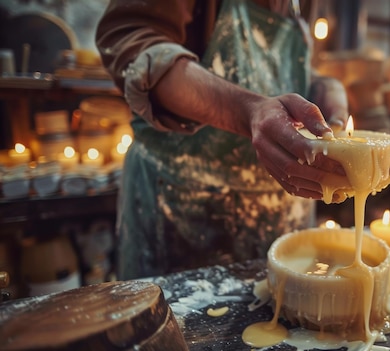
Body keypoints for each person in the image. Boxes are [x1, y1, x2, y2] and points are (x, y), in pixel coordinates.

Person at [96, 0, 350, 280]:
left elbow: (275, 68)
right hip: (180, 211)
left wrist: (320, 85)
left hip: (281, 217)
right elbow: (131, 39)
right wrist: (248, 111)